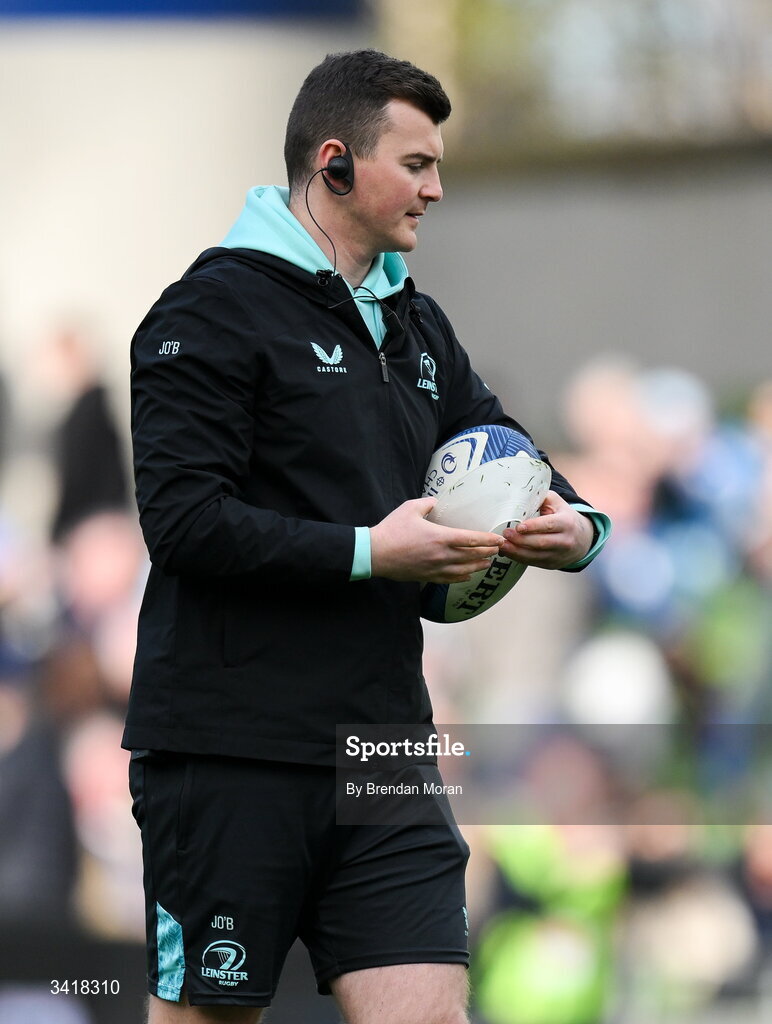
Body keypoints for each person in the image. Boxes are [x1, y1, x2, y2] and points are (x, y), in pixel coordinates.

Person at [123, 49, 611, 1024]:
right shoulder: (208, 311)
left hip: (383, 746)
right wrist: (366, 552)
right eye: (417, 163)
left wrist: (578, 526)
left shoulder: (415, 323)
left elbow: (506, 447)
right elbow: (182, 523)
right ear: (335, 163)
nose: (436, 188)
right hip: (231, 749)